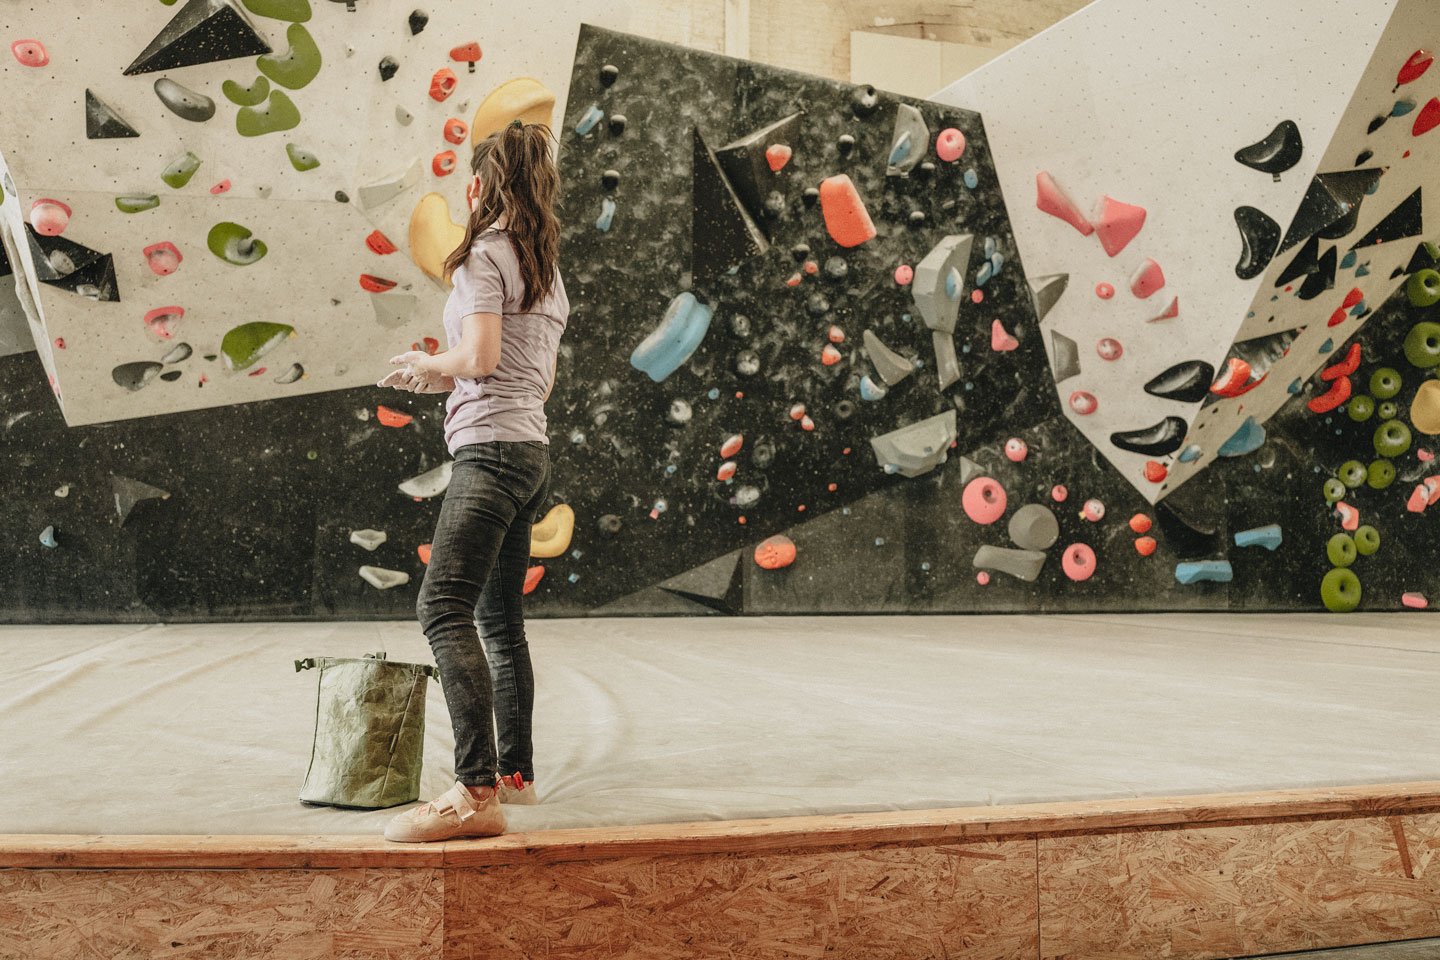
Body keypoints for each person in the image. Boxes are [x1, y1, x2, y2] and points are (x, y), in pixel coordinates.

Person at [378, 120, 568, 843]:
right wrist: (438, 375)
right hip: (528, 453)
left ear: (481, 187)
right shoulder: (545, 264)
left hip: (489, 456)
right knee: (498, 620)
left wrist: (437, 364)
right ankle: (514, 775)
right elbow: (530, 375)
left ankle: (475, 792)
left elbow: (482, 355)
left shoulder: (482, 255)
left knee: (442, 609)